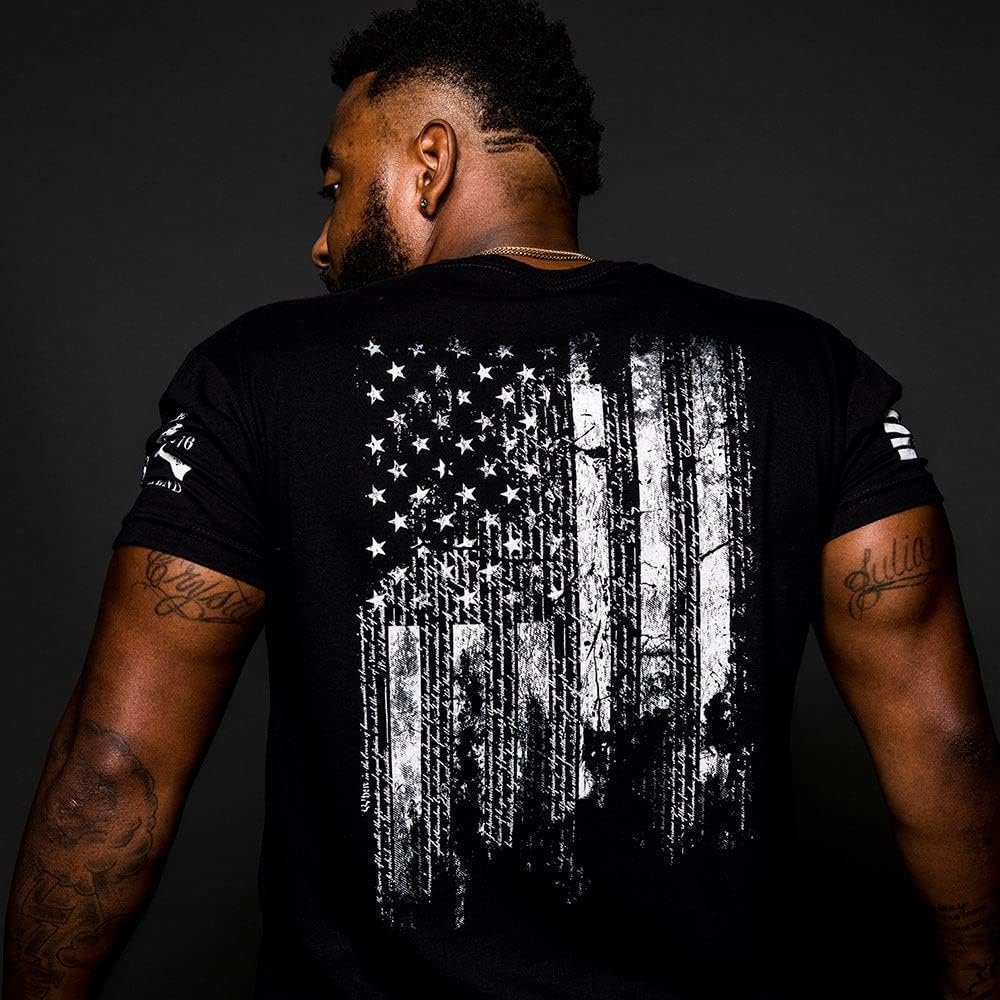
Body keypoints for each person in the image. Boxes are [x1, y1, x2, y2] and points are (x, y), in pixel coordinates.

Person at [3, 0, 997, 997]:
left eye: (338, 187)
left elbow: (113, 765)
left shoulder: (257, 377)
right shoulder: (809, 373)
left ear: (430, 163)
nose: (321, 241)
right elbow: (946, 745)